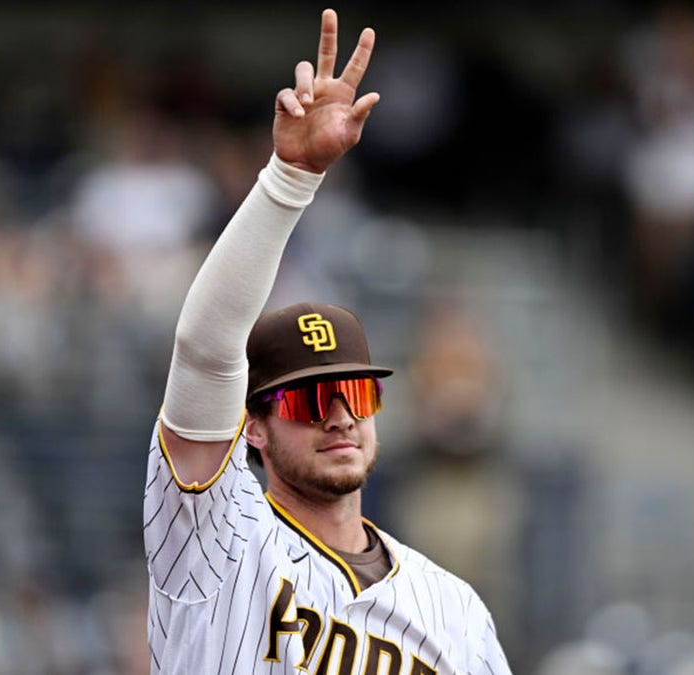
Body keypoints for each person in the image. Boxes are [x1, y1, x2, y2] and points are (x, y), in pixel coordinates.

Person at [143, 9, 511, 674]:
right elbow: (205, 346)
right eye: (308, 399)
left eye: (353, 390)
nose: (339, 413)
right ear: (251, 427)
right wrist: (289, 179)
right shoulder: (217, 537)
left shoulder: (453, 609)